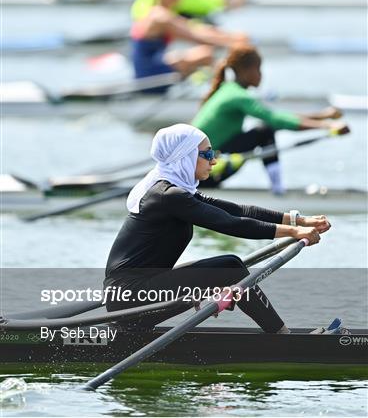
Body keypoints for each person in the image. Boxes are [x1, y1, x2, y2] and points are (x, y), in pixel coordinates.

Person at [104, 123, 330, 335]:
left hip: (139, 289)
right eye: (208, 154)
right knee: (230, 268)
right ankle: (285, 340)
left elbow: (237, 210)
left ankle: (280, 336)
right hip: (130, 297)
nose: (214, 161)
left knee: (229, 267)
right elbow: (229, 223)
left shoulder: (177, 190)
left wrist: (299, 221)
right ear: (185, 156)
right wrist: (293, 233)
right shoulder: (167, 196)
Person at [192, 45, 345, 194]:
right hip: (204, 175)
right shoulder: (238, 96)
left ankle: (276, 188)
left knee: (264, 128)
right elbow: (275, 120)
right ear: (245, 71)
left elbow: (278, 117)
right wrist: (326, 126)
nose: (261, 75)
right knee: (264, 131)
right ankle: (278, 190)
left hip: (202, 169)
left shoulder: (228, 90)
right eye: (258, 69)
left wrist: (323, 116)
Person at [130, 0, 247, 88]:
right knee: (205, 55)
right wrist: (233, 43)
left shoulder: (160, 12)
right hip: (149, 76)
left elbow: (196, 29)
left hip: (151, 68)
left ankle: (211, 87)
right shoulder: (160, 17)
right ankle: (224, 91)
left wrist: (228, 36)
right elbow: (195, 36)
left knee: (202, 53)